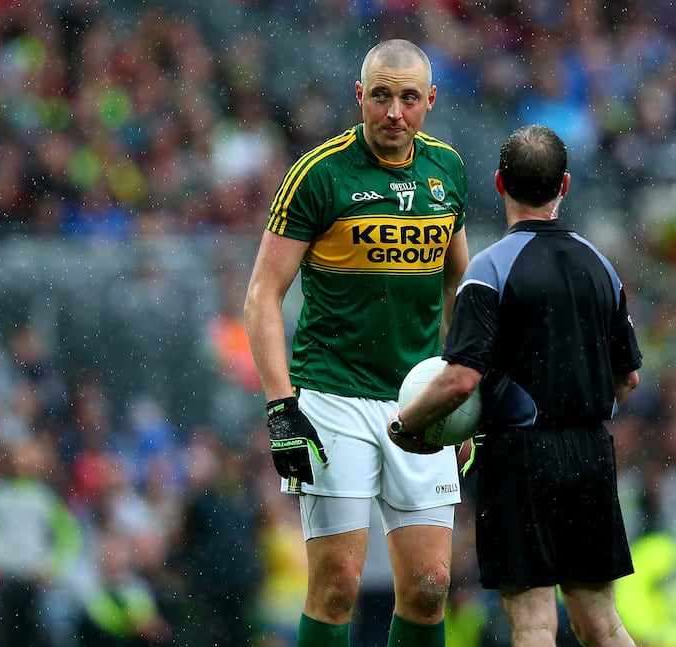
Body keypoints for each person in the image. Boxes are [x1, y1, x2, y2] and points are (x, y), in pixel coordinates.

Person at [244, 38, 470, 647]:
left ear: (430, 101)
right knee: (337, 585)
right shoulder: (319, 174)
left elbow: (460, 290)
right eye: (380, 96)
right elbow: (263, 293)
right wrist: (279, 407)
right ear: (359, 97)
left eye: (407, 98)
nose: (393, 112)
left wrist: (463, 401)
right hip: (333, 398)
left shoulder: (447, 171)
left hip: (419, 402)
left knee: (429, 586)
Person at [388, 124, 641, 646]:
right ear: (564, 186)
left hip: (521, 458)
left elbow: (459, 381)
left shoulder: (488, 269)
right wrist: (578, 409)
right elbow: (629, 377)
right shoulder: (601, 266)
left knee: (533, 624)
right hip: (591, 451)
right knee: (602, 623)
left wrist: (406, 424)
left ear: (499, 183)